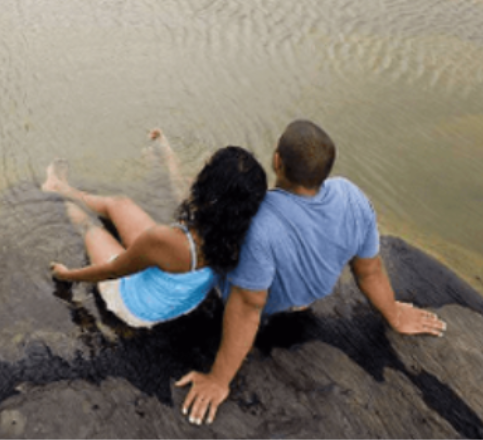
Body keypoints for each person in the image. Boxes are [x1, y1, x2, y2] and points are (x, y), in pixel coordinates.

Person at [176, 120, 447, 426]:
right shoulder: (351, 195)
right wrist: (393, 313)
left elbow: (248, 306)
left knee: (200, 209)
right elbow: (369, 270)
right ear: (327, 169)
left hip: (263, 303)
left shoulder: (260, 220)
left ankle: (161, 163)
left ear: (277, 161)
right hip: (307, 297)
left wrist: (218, 379)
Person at [44, 130, 268, 329]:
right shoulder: (236, 232)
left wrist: (65, 274)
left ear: (208, 189)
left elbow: (113, 270)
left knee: (91, 228)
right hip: (174, 297)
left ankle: (60, 194)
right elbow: (181, 190)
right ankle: (62, 188)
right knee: (119, 203)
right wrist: (166, 153)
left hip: (135, 304)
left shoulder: (167, 241)